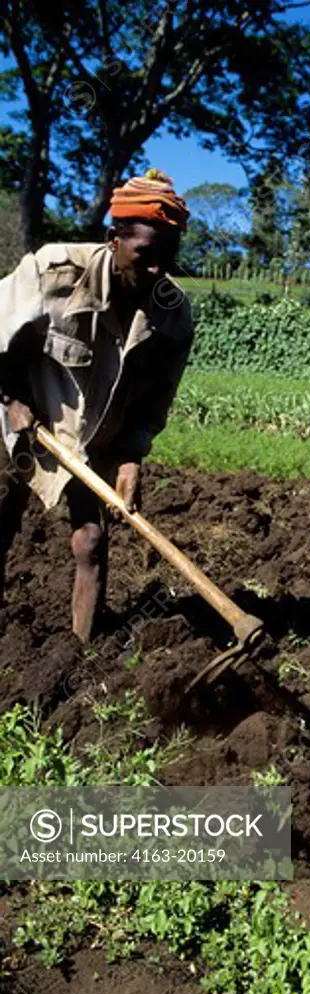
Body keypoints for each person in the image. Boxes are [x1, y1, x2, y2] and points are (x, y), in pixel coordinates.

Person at [0, 169, 192, 641]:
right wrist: (11, 397)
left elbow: (153, 402)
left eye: (168, 257)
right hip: (20, 417)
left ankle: (80, 656)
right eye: (146, 255)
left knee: (91, 541)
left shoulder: (173, 314)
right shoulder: (53, 273)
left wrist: (132, 455)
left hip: (92, 436)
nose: (157, 271)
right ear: (114, 239)